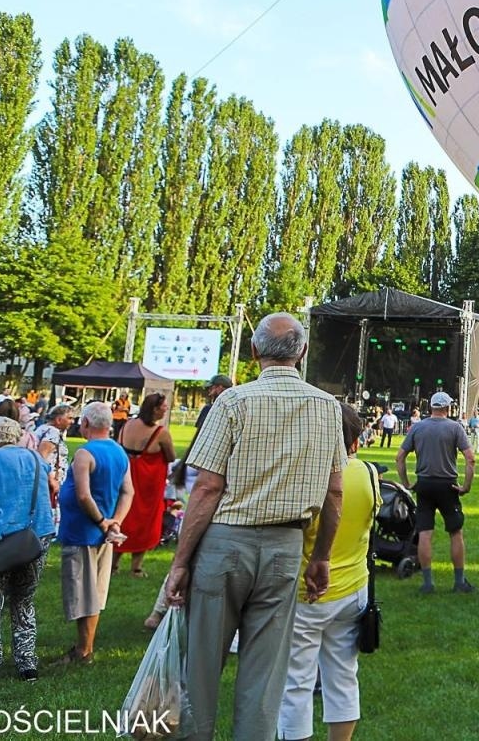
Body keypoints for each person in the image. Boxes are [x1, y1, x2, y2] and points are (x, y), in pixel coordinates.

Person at [166, 312, 347, 741]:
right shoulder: (327, 408)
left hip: (225, 543)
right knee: (266, 678)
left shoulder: (232, 401)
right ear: (302, 352)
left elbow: (207, 487)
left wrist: (179, 562)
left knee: (202, 668)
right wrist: (320, 556)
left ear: (253, 352)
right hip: (286, 547)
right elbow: (335, 492)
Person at [278, 405, 377, 741]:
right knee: (343, 676)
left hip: (308, 591)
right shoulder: (368, 472)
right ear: (355, 441)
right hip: (353, 589)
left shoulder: (305, 475)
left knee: (296, 681)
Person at [0, 416, 56, 683]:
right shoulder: (36, 458)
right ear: (17, 436)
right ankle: (27, 663)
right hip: (36, 535)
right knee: (24, 600)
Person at [54, 401, 133, 666]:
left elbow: (83, 494)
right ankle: (84, 647)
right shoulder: (119, 452)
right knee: (95, 593)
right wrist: (116, 522)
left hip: (83, 531)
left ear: (86, 423)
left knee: (82, 592)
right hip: (104, 533)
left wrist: (102, 522)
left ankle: (83, 650)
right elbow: (128, 491)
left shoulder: (85, 454)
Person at [396, 392, 474, 593]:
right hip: (448, 485)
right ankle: (459, 582)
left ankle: (428, 583)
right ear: (448, 408)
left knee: (425, 533)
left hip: (424, 484)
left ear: (430, 407)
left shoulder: (418, 427)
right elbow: (470, 458)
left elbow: (400, 457)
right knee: (456, 532)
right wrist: (466, 485)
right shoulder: (455, 428)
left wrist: (407, 483)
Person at [115, 392, 176, 578]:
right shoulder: (161, 433)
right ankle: (136, 567)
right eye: (164, 406)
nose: (166, 409)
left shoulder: (127, 425)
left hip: (126, 477)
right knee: (145, 521)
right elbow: (171, 456)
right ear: (155, 409)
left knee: (123, 516)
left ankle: (113, 565)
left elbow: (119, 447)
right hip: (148, 483)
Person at [34, 403, 74, 521]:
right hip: (48, 482)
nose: (72, 421)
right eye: (69, 418)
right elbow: (42, 456)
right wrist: (51, 479)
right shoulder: (52, 432)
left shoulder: (43, 429)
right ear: (58, 419)